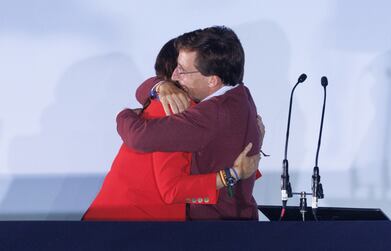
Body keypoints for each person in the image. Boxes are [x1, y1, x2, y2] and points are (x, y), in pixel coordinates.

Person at [83, 38, 260, 221]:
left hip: (129, 223)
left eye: (183, 69)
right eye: (179, 68)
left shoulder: (211, 108)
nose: (177, 75)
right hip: (127, 225)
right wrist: (232, 175)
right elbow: (172, 189)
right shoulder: (174, 108)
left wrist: (127, 113)